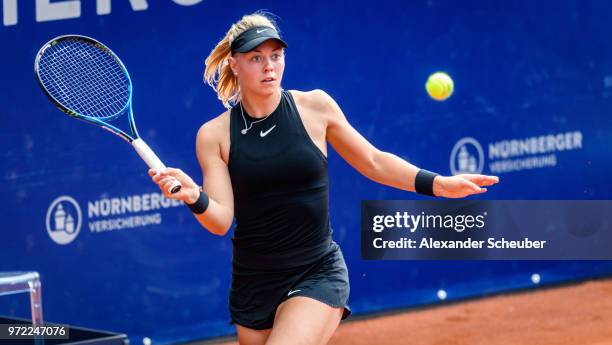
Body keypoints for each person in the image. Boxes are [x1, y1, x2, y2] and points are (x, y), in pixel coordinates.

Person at [148, 11, 499, 345]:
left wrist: (437, 183)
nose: (269, 66)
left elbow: (374, 161)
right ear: (234, 65)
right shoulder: (215, 135)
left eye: (276, 55)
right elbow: (221, 220)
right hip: (253, 281)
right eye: (256, 58)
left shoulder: (314, 106)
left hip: (317, 270)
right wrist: (195, 196)